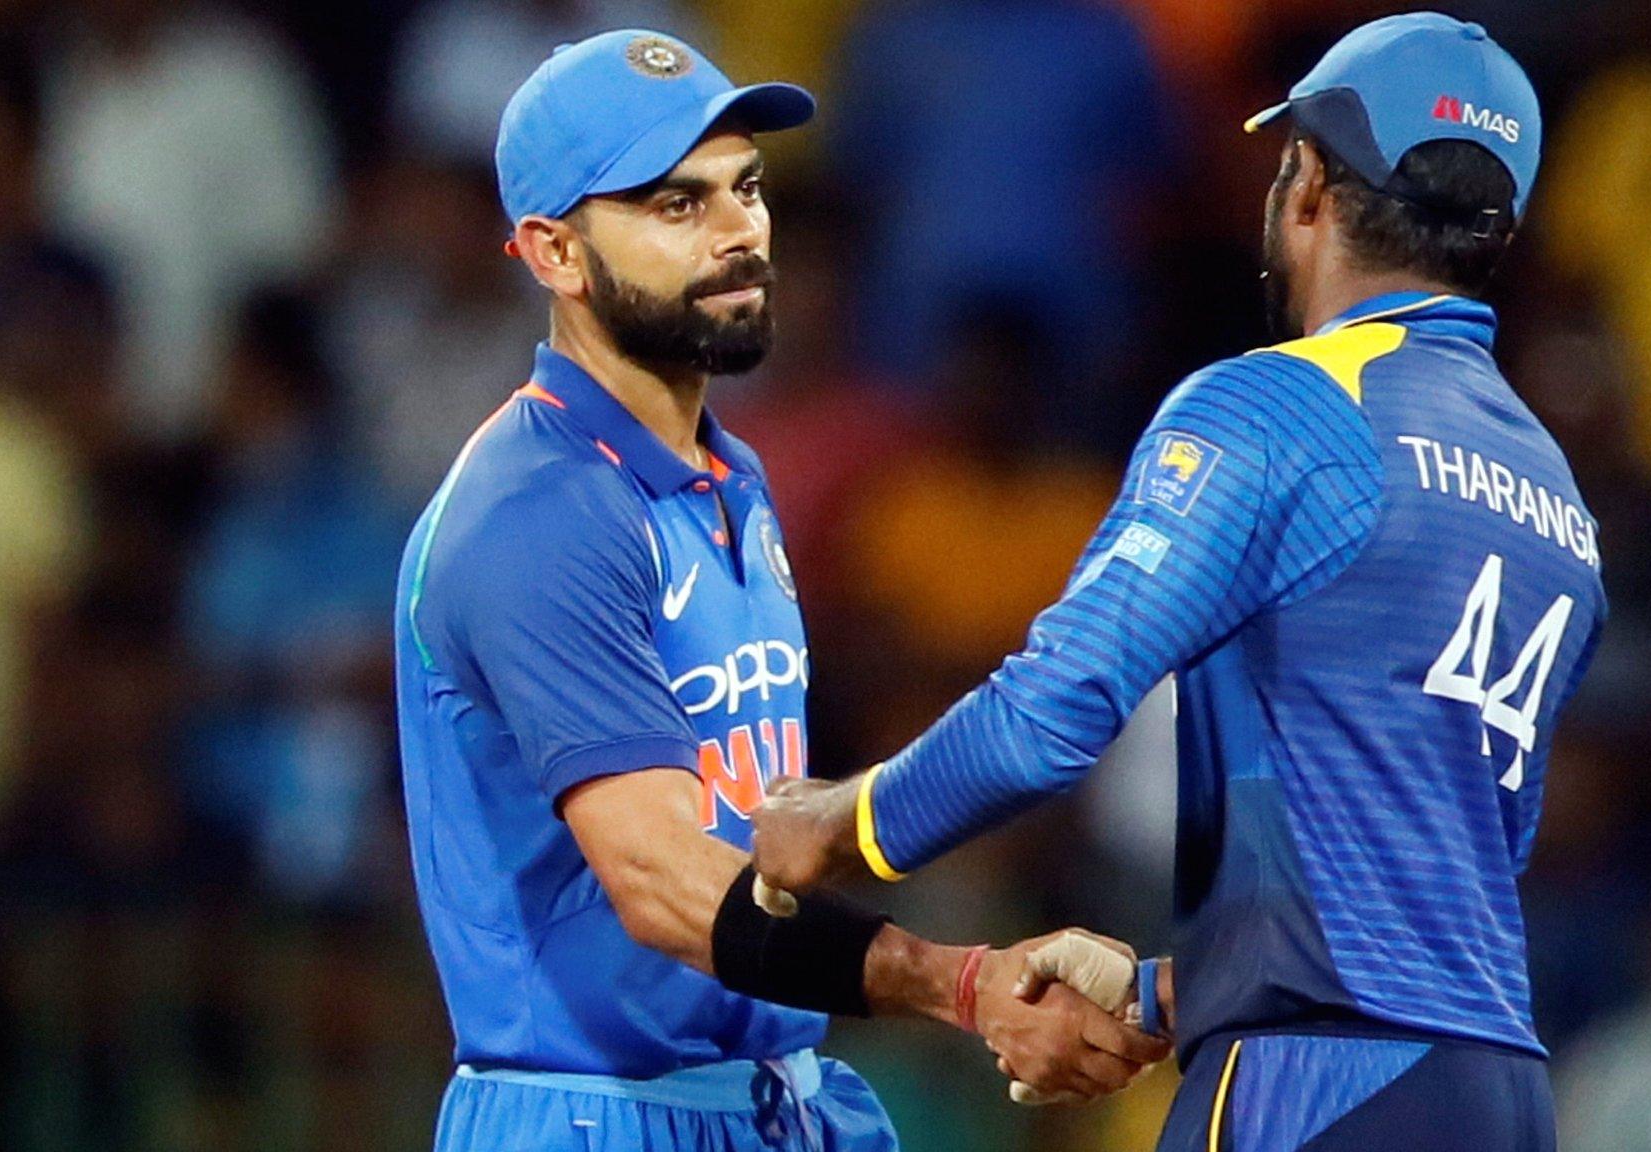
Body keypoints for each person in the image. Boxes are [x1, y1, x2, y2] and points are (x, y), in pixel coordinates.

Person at [754, 14, 1607, 1151]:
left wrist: (842, 823)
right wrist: (1161, 994)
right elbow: (1421, 884)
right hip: (1490, 1089)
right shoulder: (1555, 499)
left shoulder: (1278, 406)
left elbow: (1049, 715)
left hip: (1310, 1083)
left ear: (1306, 183)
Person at [392, 31, 1166, 1152]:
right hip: (593, 1119)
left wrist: (991, 948)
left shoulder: (730, 481)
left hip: (769, 1101)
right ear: (552, 252)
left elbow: (761, 828)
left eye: (744, 188)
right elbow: (662, 884)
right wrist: (958, 983)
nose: (738, 231)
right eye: (673, 205)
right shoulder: (538, 515)